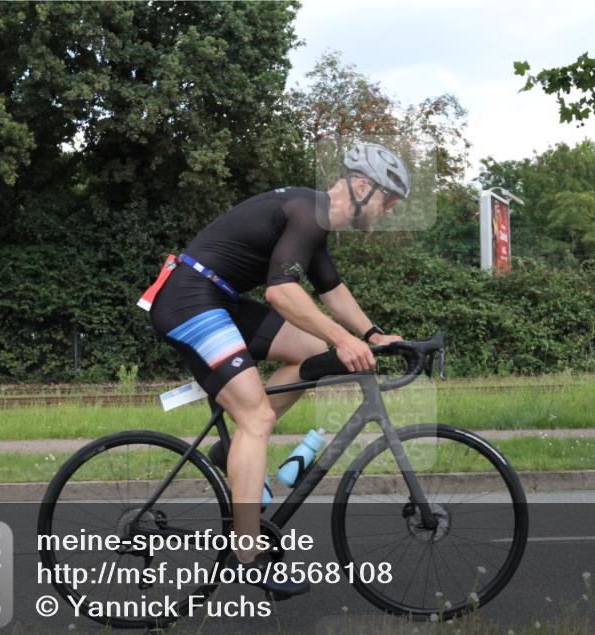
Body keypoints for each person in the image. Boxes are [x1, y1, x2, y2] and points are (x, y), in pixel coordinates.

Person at [147, 143, 411, 599]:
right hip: (188, 299)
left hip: (216, 296)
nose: (388, 212)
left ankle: (237, 452)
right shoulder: (309, 212)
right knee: (257, 418)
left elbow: (330, 288)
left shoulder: (315, 215)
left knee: (310, 352)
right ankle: (247, 559)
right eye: (388, 200)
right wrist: (344, 340)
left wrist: (372, 335)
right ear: (363, 187)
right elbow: (281, 293)